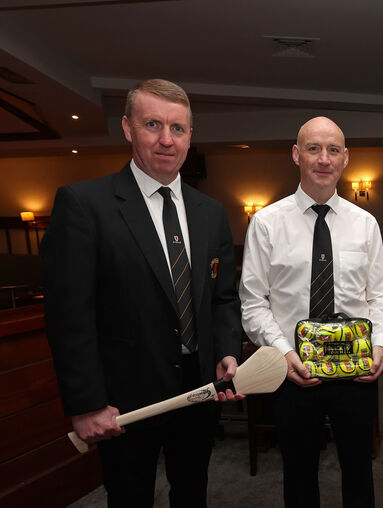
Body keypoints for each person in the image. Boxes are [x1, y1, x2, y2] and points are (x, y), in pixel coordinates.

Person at [42, 79, 243, 507]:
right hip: (124, 400)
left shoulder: (210, 212)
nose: (166, 139)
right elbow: (69, 316)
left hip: (198, 390)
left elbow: (223, 297)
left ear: (190, 136)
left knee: (193, 494)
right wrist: (87, 404)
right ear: (127, 128)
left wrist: (227, 350)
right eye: (153, 124)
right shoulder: (84, 205)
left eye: (178, 128)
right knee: (130, 498)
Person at [239, 116, 383, 508]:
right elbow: (253, 302)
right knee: (299, 477)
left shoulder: (366, 224)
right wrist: (283, 353)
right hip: (294, 371)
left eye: (333, 150)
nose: (324, 159)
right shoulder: (266, 223)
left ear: (346, 158)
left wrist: (381, 345)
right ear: (296, 155)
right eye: (313, 149)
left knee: (359, 475)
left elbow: (379, 296)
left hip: (355, 372)